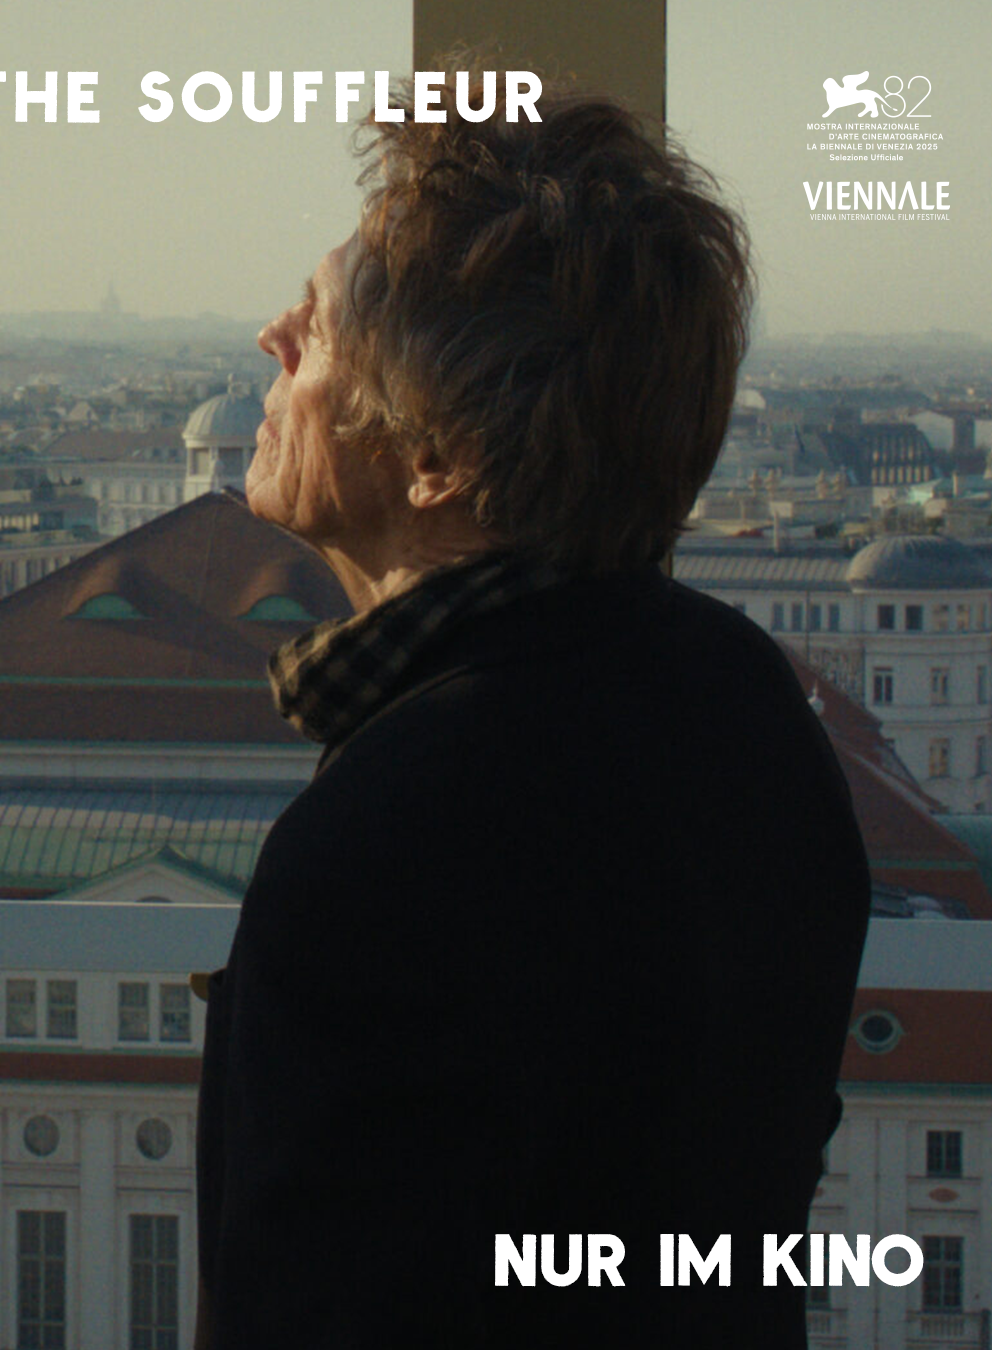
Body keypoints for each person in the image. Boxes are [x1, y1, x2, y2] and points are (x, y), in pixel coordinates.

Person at [196, 66, 870, 1349]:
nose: (273, 336)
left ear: (436, 459)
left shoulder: (403, 820)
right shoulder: (741, 702)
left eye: (320, 325)